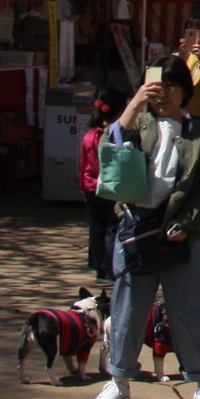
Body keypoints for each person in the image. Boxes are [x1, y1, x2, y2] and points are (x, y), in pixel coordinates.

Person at [93, 56, 200, 399]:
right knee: (127, 310)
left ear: (184, 90)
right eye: (156, 85)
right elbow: (110, 146)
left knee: (192, 311)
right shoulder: (139, 125)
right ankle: (118, 380)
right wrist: (134, 103)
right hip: (138, 230)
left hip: (184, 233)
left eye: (170, 86)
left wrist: (189, 224)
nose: (162, 93)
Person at [79, 86, 129, 281]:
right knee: (112, 227)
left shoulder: (90, 135)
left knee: (96, 228)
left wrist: (83, 186)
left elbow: (83, 164)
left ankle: (99, 266)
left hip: (91, 187)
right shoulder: (117, 136)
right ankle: (110, 267)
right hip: (111, 188)